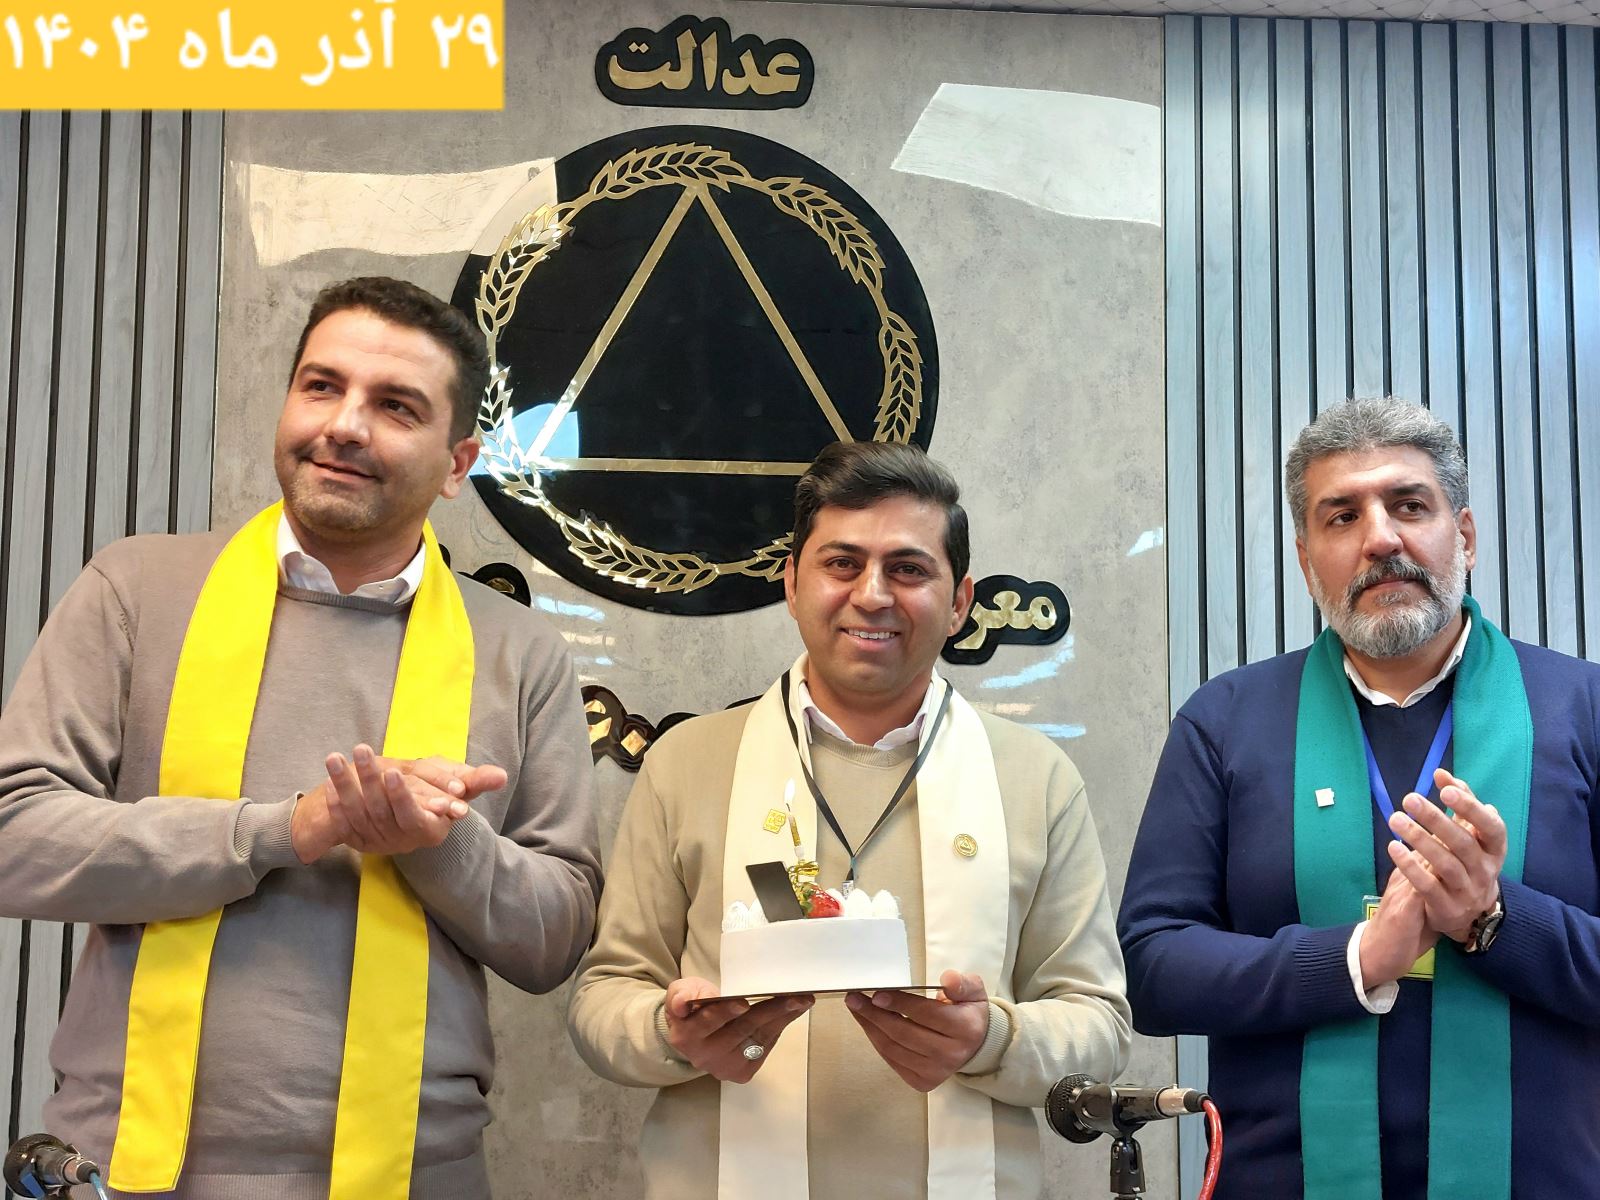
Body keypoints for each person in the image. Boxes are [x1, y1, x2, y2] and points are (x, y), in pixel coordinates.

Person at [0, 276, 602, 1199]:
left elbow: (556, 939)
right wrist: (284, 829)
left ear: (458, 463)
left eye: (396, 406)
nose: (345, 425)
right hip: (126, 1166)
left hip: (417, 1175)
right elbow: (14, 838)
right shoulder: (136, 590)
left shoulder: (521, 653)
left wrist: (442, 845)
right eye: (322, 387)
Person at [568, 440, 1130, 1200]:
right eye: (841, 563)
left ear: (960, 602)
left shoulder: (1035, 778)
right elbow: (604, 999)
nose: (872, 594)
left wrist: (991, 1038)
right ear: (792, 583)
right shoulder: (687, 764)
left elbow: (1098, 1024)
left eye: (908, 569)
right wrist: (671, 1033)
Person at [1118, 396, 1600, 1199]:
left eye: (1409, 505)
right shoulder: (1226, 721)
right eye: (1342, 517)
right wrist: (1357, 959)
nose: (1380, 538)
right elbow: (1154, 967)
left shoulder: (1583, 708)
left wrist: (1493, 920)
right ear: (1307, 559)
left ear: (1465, 536)